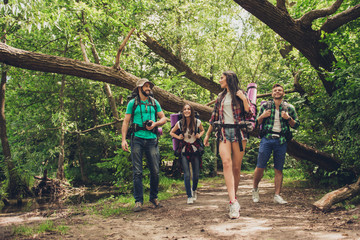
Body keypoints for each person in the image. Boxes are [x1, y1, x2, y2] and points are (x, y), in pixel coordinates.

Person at [203, 71, 253, 219]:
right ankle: (233, 201)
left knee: (236, 168)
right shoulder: (220, 97)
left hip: (239, 133)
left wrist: (244, 100)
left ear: (229, 79)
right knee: (226, 163)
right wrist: (207, 134)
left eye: (222, 78)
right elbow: (214, 118)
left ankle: (234, 198)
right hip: (223, 132)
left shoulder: (241, 93)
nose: (219, 80)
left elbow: (249, 114)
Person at [122, 78, 167, 212]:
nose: (148, 88)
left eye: (149, 86)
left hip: (152, 139)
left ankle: (153, 198)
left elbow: (164, 118)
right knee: (137, 171)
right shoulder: (132, 103)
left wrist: (155, 124)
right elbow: (125, 122)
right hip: (137, 139)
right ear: (139, 88)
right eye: (145, 86)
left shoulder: (154, 102)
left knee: (155, 170)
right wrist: (123, 139)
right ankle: (138, 201)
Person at [252, 83, 300, 204]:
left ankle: (277, 195)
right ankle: (255, 189)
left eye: (280, 90)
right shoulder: (265, 106)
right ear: (272, 93)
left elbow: (297, 125)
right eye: (275, 90)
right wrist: (263, 116)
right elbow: (256, 123)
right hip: (267, 139)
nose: (277, 92)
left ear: (283, 93)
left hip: (281, 141)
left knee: (279, 169)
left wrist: (288, 118)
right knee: (260, 166)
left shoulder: (289, 108)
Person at [170, 104, 205, 204]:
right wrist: (178, 137)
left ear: (191, 111)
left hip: (195, 149)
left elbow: (202, 130)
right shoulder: (179, 123)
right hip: (184, 150)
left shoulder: (197, 122)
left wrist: (199, 135)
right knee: (186, 174)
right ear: (182, 112)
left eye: (188, 109)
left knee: (196, 174)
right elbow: (171, 132)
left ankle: (194, 190)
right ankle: (189, 196)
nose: (186, 111)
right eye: (185, 109)